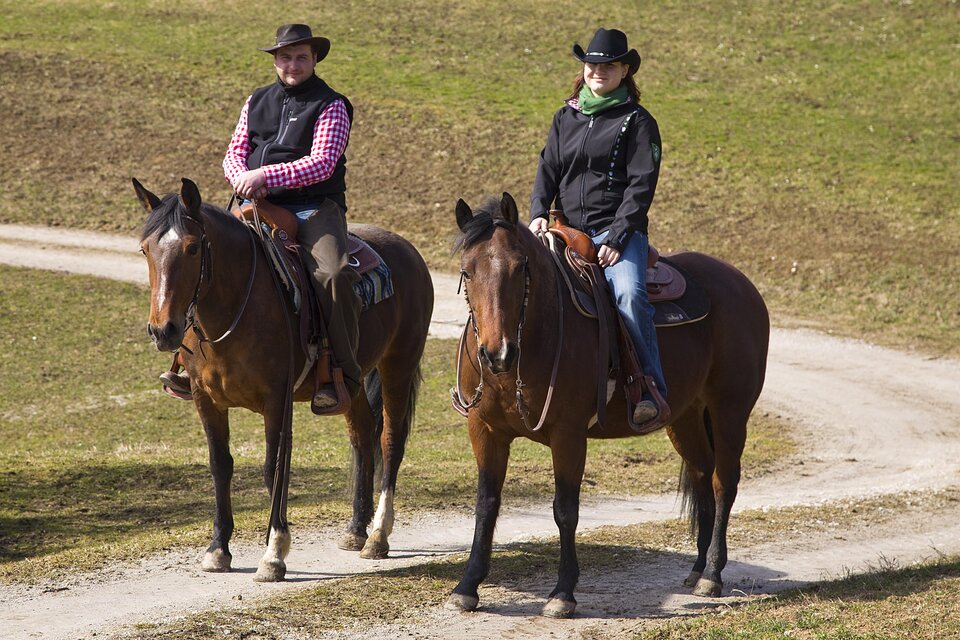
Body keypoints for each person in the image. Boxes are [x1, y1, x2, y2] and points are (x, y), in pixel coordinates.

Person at [162, 23, 361, 410]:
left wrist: (264, 176)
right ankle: (189, 360)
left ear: (314, 59)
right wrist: (241, 177)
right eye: (285, 57)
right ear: (275, 61)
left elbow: (321, 163)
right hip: (251, 204)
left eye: (301, 57)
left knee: (332, 274)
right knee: (202, 260)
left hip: (312, 209)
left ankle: (341, 372)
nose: (293, 64)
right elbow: (234, 151)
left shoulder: (333, 104)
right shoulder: (256, 100)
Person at [529, 27, 667, 426]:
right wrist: (538, 211)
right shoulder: (565, 116)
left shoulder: (638, 122)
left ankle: (649, 389)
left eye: (608, 65)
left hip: (615, 235)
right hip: (565, 231)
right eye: (592, 64)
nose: (598, 71)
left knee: (628, 294)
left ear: (625, 71)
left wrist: (620, 238)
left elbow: (641, 186)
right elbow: (548, 168)